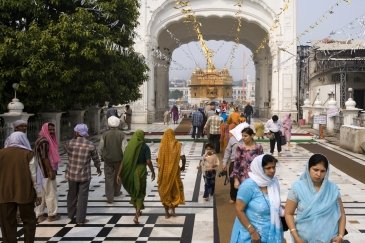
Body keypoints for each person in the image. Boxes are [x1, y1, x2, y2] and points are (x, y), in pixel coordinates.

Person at [284, 154, 346, 243]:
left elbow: (342, 214)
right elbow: (288, 213)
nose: (318, 174)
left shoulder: (333, 188)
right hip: (303, 239)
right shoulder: (297, 187)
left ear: (326, 172)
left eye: (322, 171)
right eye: (315, 170)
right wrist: (296, 236)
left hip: (329, 239)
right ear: (308, 168)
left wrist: (340, 235)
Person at [230, 154, 284, 243]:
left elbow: (274, 203)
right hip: (252, 237)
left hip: (272, 234)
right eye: (268, 168)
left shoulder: (273, 182)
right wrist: (252, 231)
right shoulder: (249, 185)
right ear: (259, 168)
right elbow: (239, 209)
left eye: (274, 167)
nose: (272, 170)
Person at [0, 132, 42, 243]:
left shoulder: (1, 153)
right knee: (29, 221)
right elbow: (35, 176)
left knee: (7, 222)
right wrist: (39, 194)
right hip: (25, 192)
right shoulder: (28, 154)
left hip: (4, 194)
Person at [63, 123, 102, 225]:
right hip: (84, 175)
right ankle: (80, 219)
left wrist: (74, 137)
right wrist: (98, 168)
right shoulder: (90, 145)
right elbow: (96, 159)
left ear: (76, 132)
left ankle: (71, 215)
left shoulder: (69, 143)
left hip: (71, 173)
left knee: (71, 194)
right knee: (82, 197)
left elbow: (66, 150)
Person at [116, 129, 155, 224]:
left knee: (134, 191)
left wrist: (118, 174)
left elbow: (123, 161)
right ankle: (136, 215)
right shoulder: (145, 147)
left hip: (130, 171)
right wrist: (153, 171)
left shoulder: (129, 147)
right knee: (141, 191)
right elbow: (148, 161)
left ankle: (137, 210)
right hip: (141, 170)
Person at [34, 122, 61, 223]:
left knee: (42, 194)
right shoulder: (45, 141)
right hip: (46, 172)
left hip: (39, 172)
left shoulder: (39, 140)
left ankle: (39, 215)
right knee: (51, 193)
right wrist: (50, 171)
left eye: (53, 129)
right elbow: (45, 158)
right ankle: (52, 215)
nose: (52, 131)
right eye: (50, 129)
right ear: (45, 129)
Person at [156, 128, 186, 218]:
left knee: (165, 191)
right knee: (175, 189)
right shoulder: (178, 145)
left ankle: (166, 213)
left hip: (164, 174)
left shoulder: (161, 146)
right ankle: (173, 210)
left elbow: (157, 160)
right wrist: (183, 166)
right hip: (175, 172)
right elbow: (183, 157)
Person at [99, 116, 127, 203]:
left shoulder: (105, 134)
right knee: (118, 175)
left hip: (107, 160)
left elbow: (101, 147)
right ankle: (117, 192)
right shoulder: (122, 134)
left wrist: (102, 156)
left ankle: (109, 197)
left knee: (108, 177)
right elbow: (124, 148)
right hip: (119, 160)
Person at [222, 122, 250, 203]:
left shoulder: (249, 140)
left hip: (246, 164)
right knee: (232, 180)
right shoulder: (232, 139)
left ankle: (243, 198)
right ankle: (233, 197)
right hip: (234, 163)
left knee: (245, 181)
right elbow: (227, 151)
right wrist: (224, 163)